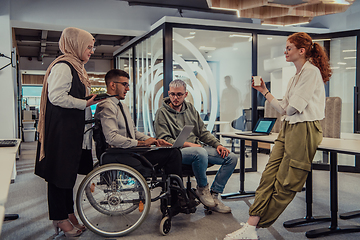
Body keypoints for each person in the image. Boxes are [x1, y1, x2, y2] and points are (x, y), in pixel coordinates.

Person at [224, 32, 332, 240]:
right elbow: (284, 109)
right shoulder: (295, 77)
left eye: (289, 48)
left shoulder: (311, 73)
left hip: (304, 129)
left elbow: (291, 109)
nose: (285, 51)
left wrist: (286, 106)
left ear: (301, 51)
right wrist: (264, 90)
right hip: (289, 128)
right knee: (268, 176)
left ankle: (256, 224)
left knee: (287, 182)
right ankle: (251, 226)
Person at [35, 27, 101, 237]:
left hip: (71, 132)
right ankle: (59, 218)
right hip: (61, 133)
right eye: (88, 46)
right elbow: (56, 97)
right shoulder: (64, 66)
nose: (91, 51)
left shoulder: (76, 67)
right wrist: (84, 103)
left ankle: (69, 213)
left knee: (67, 177)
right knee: (58, 177)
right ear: (76, 44)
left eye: (92, 47)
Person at [94, 69, 186, 212]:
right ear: (112, 85)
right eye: (124, 84)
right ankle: (174, 202)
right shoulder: (106, 106)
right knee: (173, 155)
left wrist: (153, 140)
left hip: (131, 152)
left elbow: (133, 132)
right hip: (122, 155)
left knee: (171, 152)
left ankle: (173, 199)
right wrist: (142, 144)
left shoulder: (121, 105)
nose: (128, 88)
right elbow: (112, 138)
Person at [154, 79, 238, 214]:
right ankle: (202, 188)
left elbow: (203, 132)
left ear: (186, 94)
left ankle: (214, 196)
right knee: (200, 152)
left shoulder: (191, 109)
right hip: (176, 153)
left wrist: (218, 144)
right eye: (173, 94)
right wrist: (187, 144)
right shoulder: (161, 113)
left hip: (198, 150)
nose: (175, 98)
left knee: (231, 158)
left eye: (179, 94)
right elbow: (164, 140)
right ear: (169, 93)